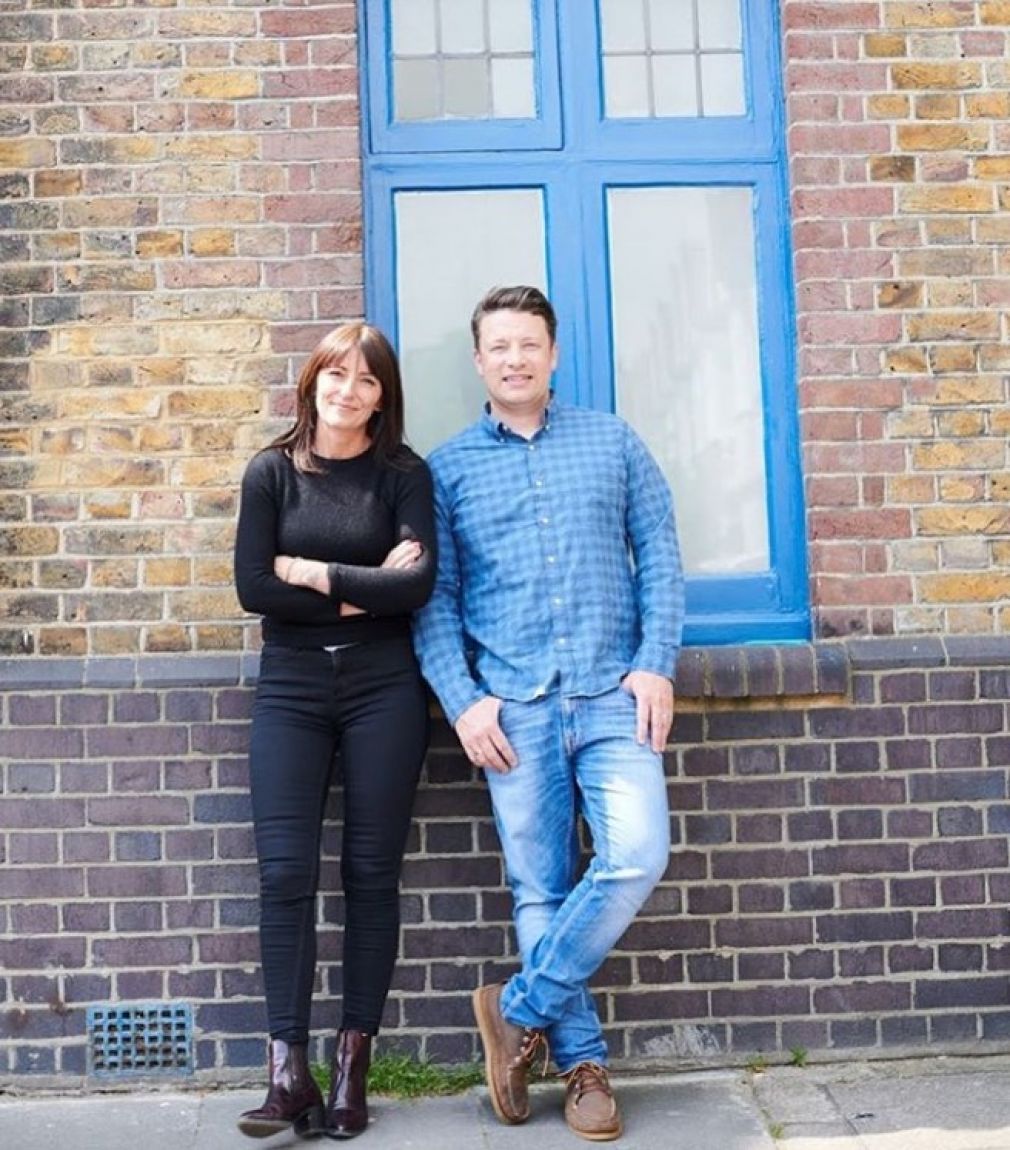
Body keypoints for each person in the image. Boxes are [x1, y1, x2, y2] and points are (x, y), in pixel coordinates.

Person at [412, 285, 684, 1142]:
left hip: (611, 696)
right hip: (514, 711)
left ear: (553, 353)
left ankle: (518, 1010)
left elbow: (661, 554)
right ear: (478, 361)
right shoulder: (447, 469)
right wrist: (462, 701)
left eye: (529, 343)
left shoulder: (613, 441)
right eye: (500, 346)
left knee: (637, 853)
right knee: (541, 889)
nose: (516, 359)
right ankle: (584, 1068)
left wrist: (657, 662)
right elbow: (434, 600)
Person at [233, 322, 435, 1141]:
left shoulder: (404, 475)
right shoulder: (271, 473)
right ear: (312, 381)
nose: (349, 391)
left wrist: (311, 572)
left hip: (384, 688)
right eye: (336, 375)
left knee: (370, 874)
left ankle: (354, 1069)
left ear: (383, 397)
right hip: (291, 687)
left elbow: (415, 587)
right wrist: (363, 588)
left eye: (367, 380)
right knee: (285, 873)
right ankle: (289, 1074)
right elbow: (253, 588)